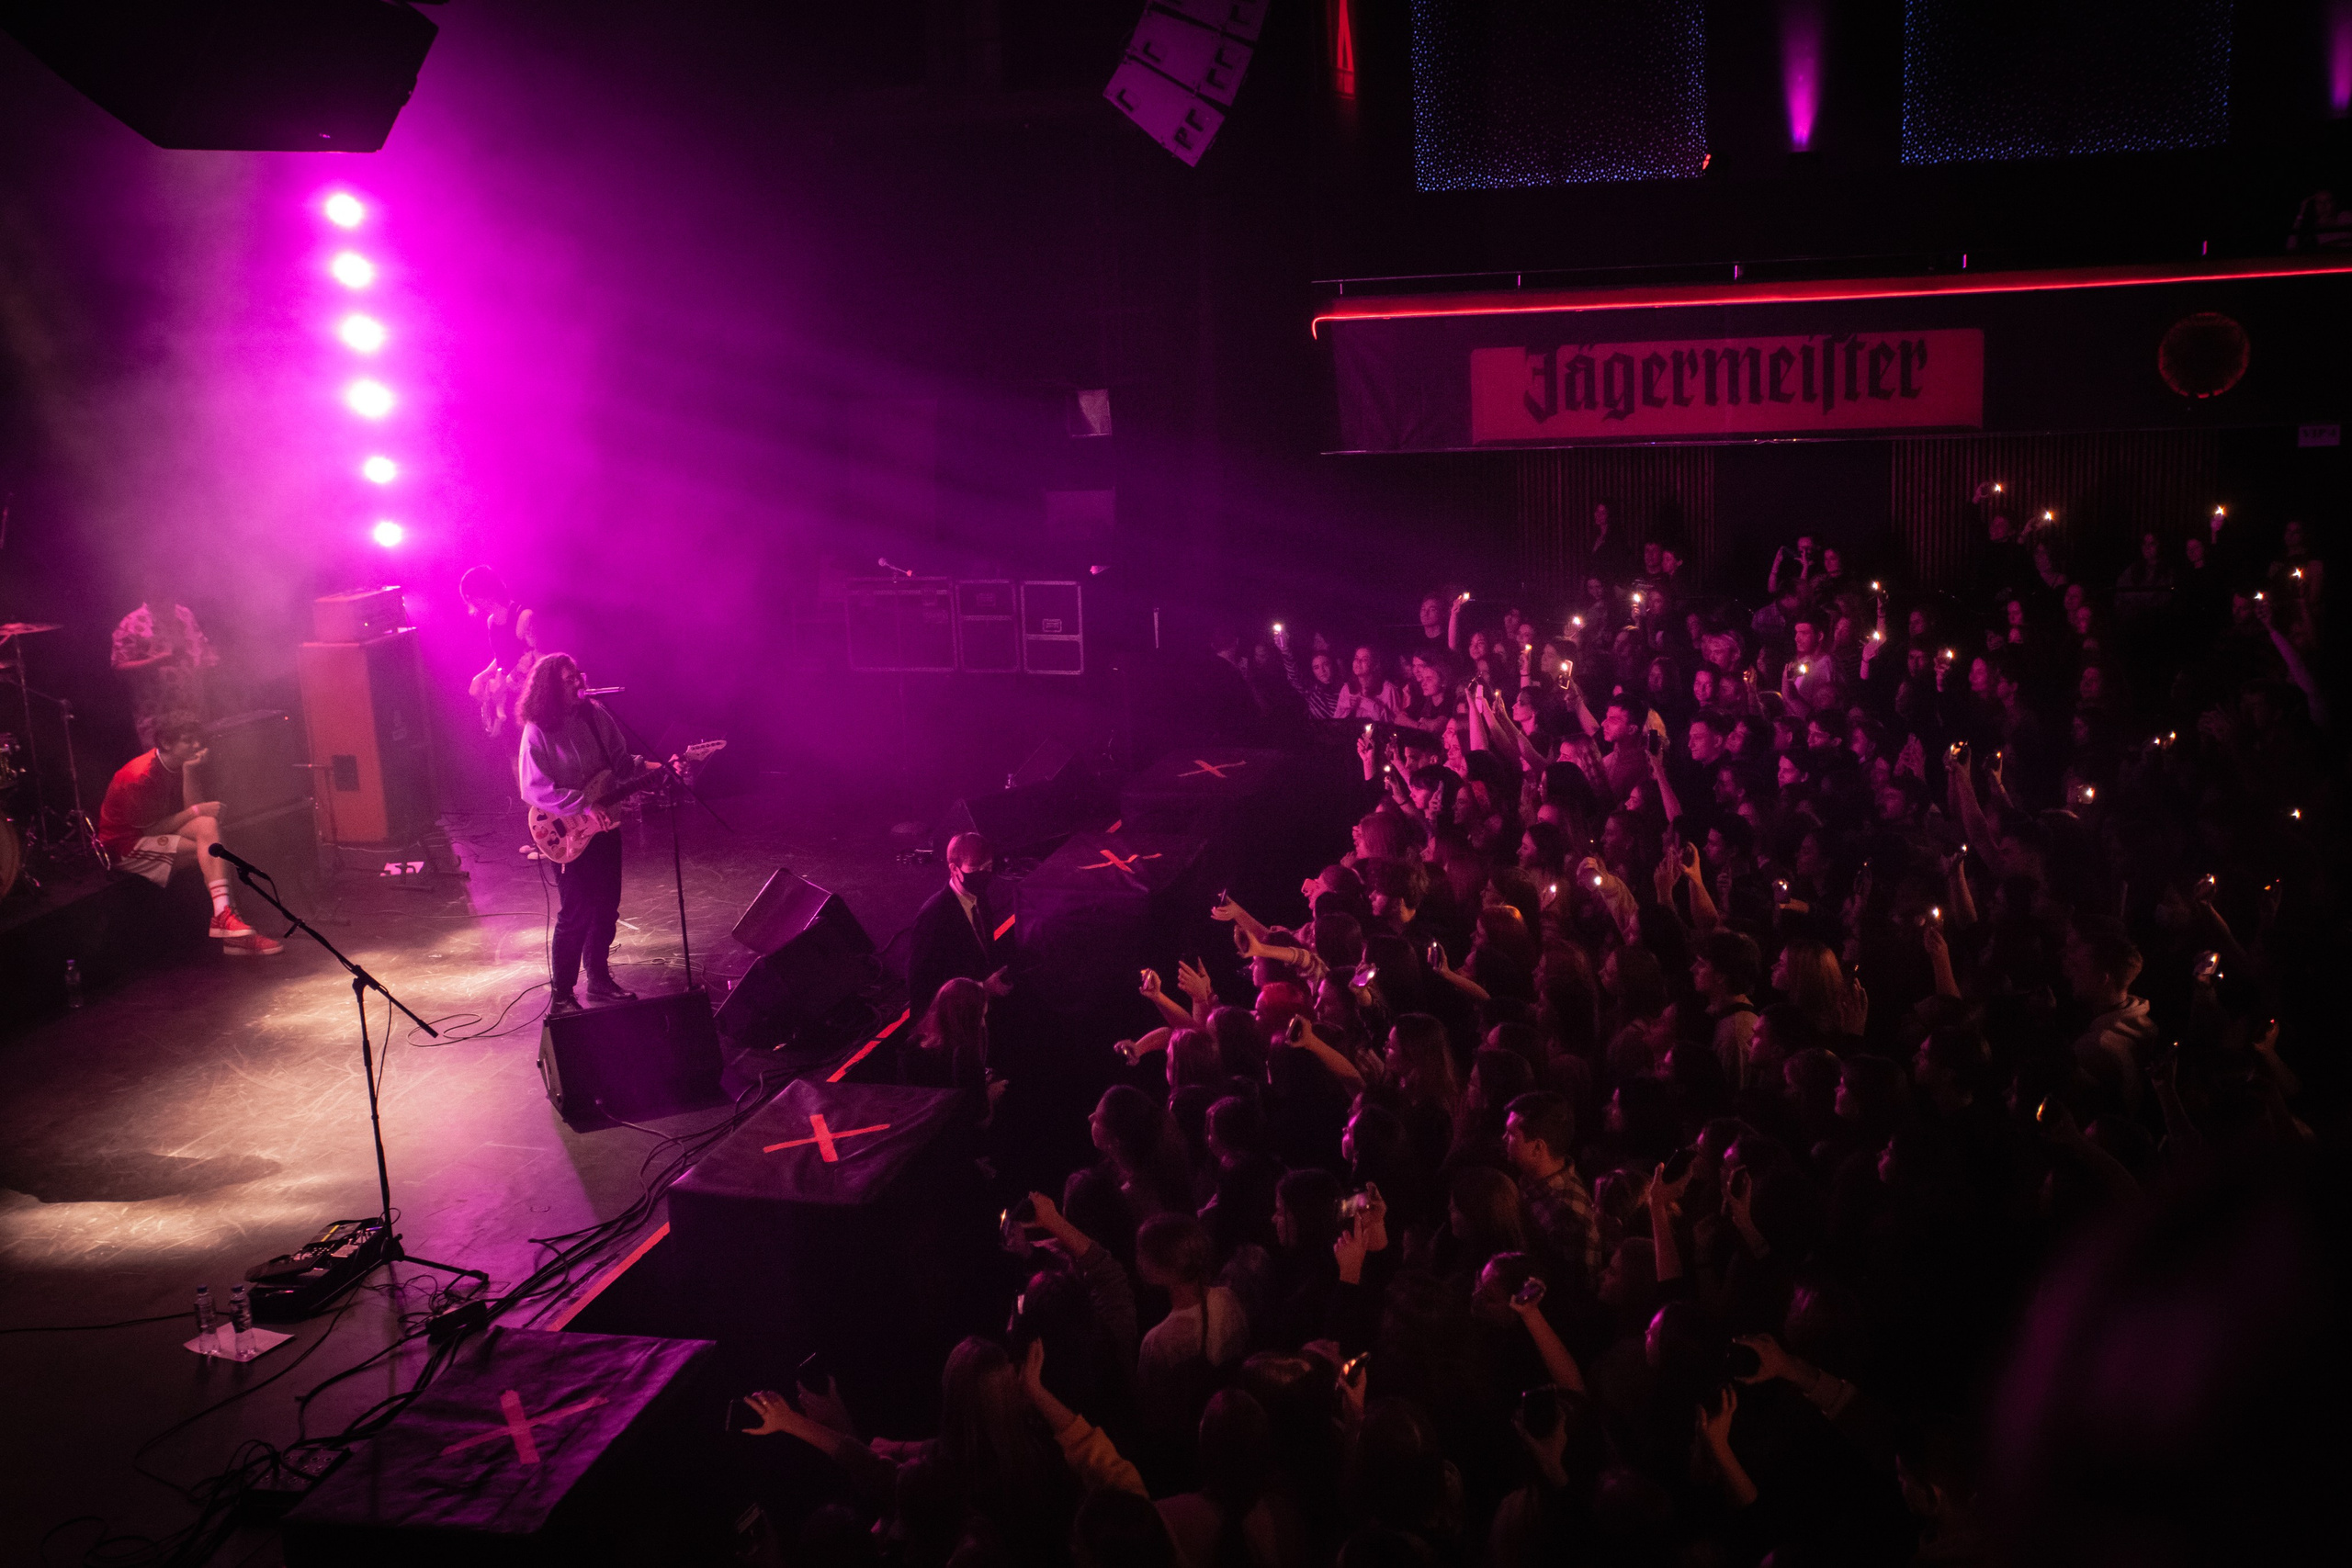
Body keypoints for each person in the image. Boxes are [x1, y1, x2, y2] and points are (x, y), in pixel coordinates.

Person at [96, 713, 281, 954]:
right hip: (125, 846)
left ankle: (225, 919)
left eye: (197, 739)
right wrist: (196, 811)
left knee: (208, 833)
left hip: (155, 831)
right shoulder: (139, 776)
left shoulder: (178, 765)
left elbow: (196, 816)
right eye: (188, 741)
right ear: (166, 743)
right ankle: (229, 925)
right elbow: (152, 828)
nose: (197, 745)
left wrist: (190, 772)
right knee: (213, 852)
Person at [516, 653, 639, 1013]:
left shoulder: (597, 715)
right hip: (566, 832)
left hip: (606, 827)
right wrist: (582, 805)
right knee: (576, 913)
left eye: (577, 677)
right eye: (568, 680)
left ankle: (599, 980)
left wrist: (664, 768)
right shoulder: (537, 729)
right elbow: (534, 788)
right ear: (550, 688)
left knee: (606, 908)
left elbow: (623, 764)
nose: (578, 684)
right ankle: (563, 994)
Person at [909, 829, 1014, 1020]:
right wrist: (983, 988)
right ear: (954, 869)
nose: (984, 875)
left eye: (988, 867)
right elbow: (924, 984)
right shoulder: (933, 917)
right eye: (975, 870)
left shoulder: (977, 896)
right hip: (952, 1021)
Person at [110, 575, 218, 749]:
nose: (166, 595)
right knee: (164, 770)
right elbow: (119, 667)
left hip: (194, 708)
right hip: (157, 715)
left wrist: (210, 665)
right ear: (147, 592)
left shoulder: (185, 614)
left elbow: (204, 650)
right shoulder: (130, 623)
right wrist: (158, 661)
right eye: (158, 590)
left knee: (198, 764)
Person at [458, 565, 539, 738]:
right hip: (508, 699)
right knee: (512, 758)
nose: (474, 603)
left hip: (529, 697)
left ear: (488, 590)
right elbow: (502, 657)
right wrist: (484, 675)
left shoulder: (523, 616)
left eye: (475, 597)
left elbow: (539, 659)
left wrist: (511, 677)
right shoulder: (491, 622)